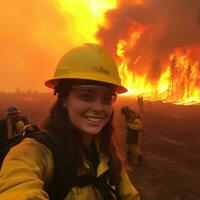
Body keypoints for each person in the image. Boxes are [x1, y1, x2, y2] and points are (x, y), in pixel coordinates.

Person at [0, 43, 140, 199]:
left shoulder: (107, 155)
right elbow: (18, 188)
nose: (99, 108)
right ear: (64, 98)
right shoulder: (33, 153)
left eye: (107, 99)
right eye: (86, 96)